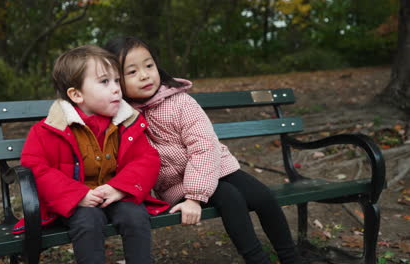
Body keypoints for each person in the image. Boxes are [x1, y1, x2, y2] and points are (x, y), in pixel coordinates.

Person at [105, 37, 302, 264]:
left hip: (215, 167)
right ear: (116, 81)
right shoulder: (123, 117)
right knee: (230, 196)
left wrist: (196, 196)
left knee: (263, 196)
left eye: (149, 66)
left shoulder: (180, 103)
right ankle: (258, 259)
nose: (144, 75)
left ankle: (292, 258)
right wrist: (191, 198)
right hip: (175, 185)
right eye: (132, 72)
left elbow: (204, 147)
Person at [12, 45, 169, 264]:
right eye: (105, 82)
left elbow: (147, 159)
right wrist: (78, 196)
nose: (116, 88)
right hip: (73, 202)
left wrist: (119, 188)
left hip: (115, 193)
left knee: (134, 215)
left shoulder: (126, 122)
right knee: (88, 221)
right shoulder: (49, 129)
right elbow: (35, 167)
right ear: (76, 94)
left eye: (116, 80)